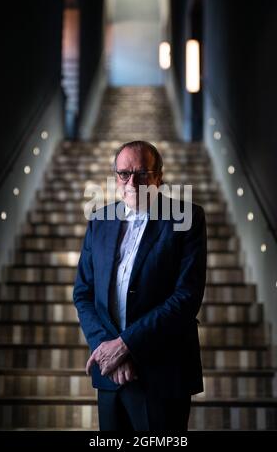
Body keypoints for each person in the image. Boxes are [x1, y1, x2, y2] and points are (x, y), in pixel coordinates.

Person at [73, 140, 207, 431]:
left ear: (158, 177)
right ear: (116, 178)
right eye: (124, 174)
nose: (132, 182)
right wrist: (104, 348)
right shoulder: (99, 220)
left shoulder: (187, 219)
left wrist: (126, 346)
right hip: (110, 376)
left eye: (142, 174)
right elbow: (83, 293)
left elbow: (186, 297)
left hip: (162, 374)